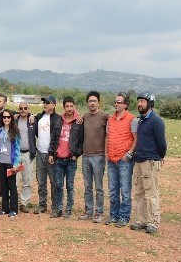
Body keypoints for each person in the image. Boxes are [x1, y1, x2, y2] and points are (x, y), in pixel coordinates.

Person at [131, 92, 167, 235]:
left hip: (150, 161)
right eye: (139, 101)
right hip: (139, 161)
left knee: (151, 193)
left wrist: (159, 157)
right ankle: (141, 220)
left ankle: (153, 222)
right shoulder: (141, 120)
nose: (139, 104)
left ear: (150, 104)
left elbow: (162, 144)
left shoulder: (156, 121)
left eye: (142, 101)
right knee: (139, 192)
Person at [105, 92, 138, 227]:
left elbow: (136, 139)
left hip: (124, 160)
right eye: (115, 101)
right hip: (111, 159)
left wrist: (129, 154)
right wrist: (106, 152)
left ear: (125, 104)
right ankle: (114, 215)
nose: (116, 104)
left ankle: (124, 217)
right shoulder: (110, 120)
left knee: (125, 189)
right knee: (113, 189)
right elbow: (107, 136)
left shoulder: (132, 119)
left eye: (119, 102)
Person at [49, 97, 83, 219]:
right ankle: (58, 209)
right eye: (67, 106)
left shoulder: (79, 121)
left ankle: (68, 209)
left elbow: (81, 141)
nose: (69, 108)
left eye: (71, 106)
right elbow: (53, 138)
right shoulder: (58, 120)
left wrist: (76, 154)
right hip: (58, 158)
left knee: (70, 185)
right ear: (64, 107)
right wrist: (50, 153)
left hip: (70, 159)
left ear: (74, 106)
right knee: (58, 185)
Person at [80, 91, 109, 223]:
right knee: (87, 186)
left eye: (94, 101)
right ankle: (88, 211)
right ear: (87, 103)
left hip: (99, 156)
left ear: (98, 102)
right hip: (86, 155)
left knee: (98, 186)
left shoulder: (104, 117)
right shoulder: (84, 117)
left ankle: (99, 212)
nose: (92, 103)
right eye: (90, 101)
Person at [33, 95, 60, 214]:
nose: (45, 104)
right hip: (40, 153)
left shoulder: (57, 119)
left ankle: (55, 206)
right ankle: (42, 205)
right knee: (41, 182)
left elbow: (56, 137)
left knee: (54, 182)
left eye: (48, 103)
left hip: (51, 155)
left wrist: (52, 153)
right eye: (44, 103)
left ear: (54, 105)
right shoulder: (39, 117)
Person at [0, 111, 21, 217]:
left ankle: (14, 209)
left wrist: (16, 163)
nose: (6, 119)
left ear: (11, 118)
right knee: (4, 186)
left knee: (12, 186)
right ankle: (5, 208)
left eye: (8, 117)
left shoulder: (15, 131)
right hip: (1, 162)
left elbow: (17, 148)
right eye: (4, 117)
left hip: (11, 163)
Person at [15, 102, 36, 213]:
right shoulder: (15, 120)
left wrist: (32, 115)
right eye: (21, 108)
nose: (23, 110)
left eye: (25, 108)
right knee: (15, 179)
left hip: (28, 154)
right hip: (16, 155)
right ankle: (13, 202)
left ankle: (24, 203)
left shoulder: (32, 121)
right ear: (18, 109)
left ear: (28, 109)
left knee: (27, 179)